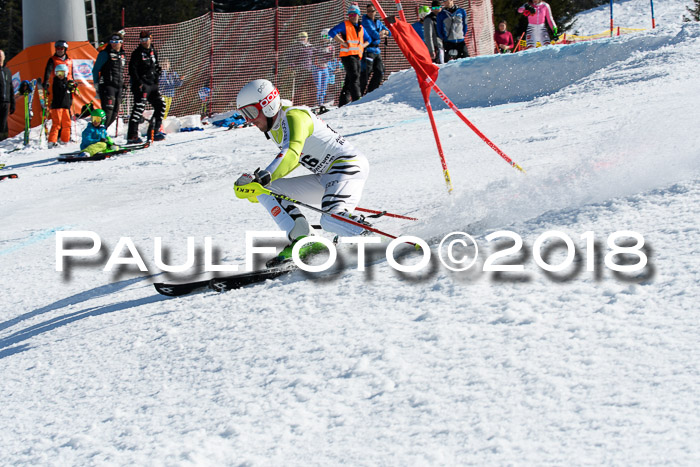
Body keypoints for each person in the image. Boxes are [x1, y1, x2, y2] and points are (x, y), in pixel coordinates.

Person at [233, 79, 370, 266]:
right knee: (268, 193)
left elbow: (291, 154)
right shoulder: (275, 127)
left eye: (250, 112)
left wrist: (262, 178)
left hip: (347, 168)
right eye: (244, 115)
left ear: (267, 105)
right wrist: (254, 189)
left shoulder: (294, 116)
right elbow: (290, 160)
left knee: (330, 219)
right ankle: (305, 241)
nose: (249, 120)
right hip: (326, 177)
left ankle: (372, 237)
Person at [127, 31, 166, 144]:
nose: (144, 42)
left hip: (152, 84)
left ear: (150, 39)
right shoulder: (137, 53)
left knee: (161, 105)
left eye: (146, 40)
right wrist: (139, 83)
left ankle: (154, 130)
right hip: (142, 85)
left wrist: (158, 74)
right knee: (139, 109)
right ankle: (132, 135)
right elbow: (132, 70)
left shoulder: (153, 50)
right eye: (142, 40)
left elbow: (156, 64)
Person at [328, 4, 371, 107]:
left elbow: (368, 39)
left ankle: (343, 102)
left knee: (350, 79)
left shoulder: (361, 27)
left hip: (357, 56)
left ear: (358, 15)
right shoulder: (345, 25)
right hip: (347, 55)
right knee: (354, 76)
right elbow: (331, 32)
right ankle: (357, 99)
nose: (352, 16)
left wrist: (362, 46)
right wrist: (342, 42)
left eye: (354, 14)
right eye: (350, 14)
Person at [93, 32, 126, 130]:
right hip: (108, 86)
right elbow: (95, 70)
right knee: (108, 111)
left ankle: (102, 132)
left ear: (121, 42)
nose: (114, 44)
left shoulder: (122, 54)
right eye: (112, 41)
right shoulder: (105, 53)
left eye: (116, 41)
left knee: (115, 113)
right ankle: (98, 134)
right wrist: (96, 84)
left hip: (118, 86)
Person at [360, 3, 391, 96]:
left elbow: (389, 32)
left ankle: (371, 92)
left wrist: (384, 32)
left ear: (375, 11)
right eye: (368, 11)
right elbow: (375, 34)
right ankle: (359, 94)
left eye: (372, 11)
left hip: (376, 51)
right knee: (366, 73)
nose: (370, 13)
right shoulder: (365, 21)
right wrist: (381, 33)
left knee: (380, 70)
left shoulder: (378, 22)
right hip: (368, 51)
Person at [48, 63, 77, 146]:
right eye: (58, 73)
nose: (60, 75)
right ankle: (52, 141)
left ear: (66, 73)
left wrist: (73, 86)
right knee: (57, 124)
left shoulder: (66, 82)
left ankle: (65, 140)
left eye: (62, 73)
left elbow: (69, 91)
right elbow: (60, 90)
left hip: (66, 107)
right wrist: (68, 86)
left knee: (67, 124)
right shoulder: (56, 82)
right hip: (57, 106)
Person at [312, 29, 340, 108]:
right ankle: (318, 103)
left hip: (325, 68)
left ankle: (321, 103)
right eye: (324, 36)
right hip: (317, 68)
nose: (325, 38)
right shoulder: (318, 46)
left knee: (324, 87)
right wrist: (322, 52)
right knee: (319, 87)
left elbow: (331, 57)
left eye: (327, 36)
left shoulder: (332, 47)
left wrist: (328, 54)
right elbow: (316, 54)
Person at [289, 32, 315, 106]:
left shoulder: (310, 46)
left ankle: (311, 105)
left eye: (304, 37)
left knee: (312, 88)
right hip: (300, 70)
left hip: (309, 70)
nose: (303, 38)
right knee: (299, 89)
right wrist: (293, 67)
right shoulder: (296, 47)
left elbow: (316, 54)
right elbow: (290, 58)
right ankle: (297, 104)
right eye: (301, 37)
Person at [0, 49, 15, 141]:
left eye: (1, 56)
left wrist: (13, 103)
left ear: (4, 57)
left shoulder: (7, 71)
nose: (0, 58)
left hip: (6, 102)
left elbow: (11, 87)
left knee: (3, 125)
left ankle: (2, 143)